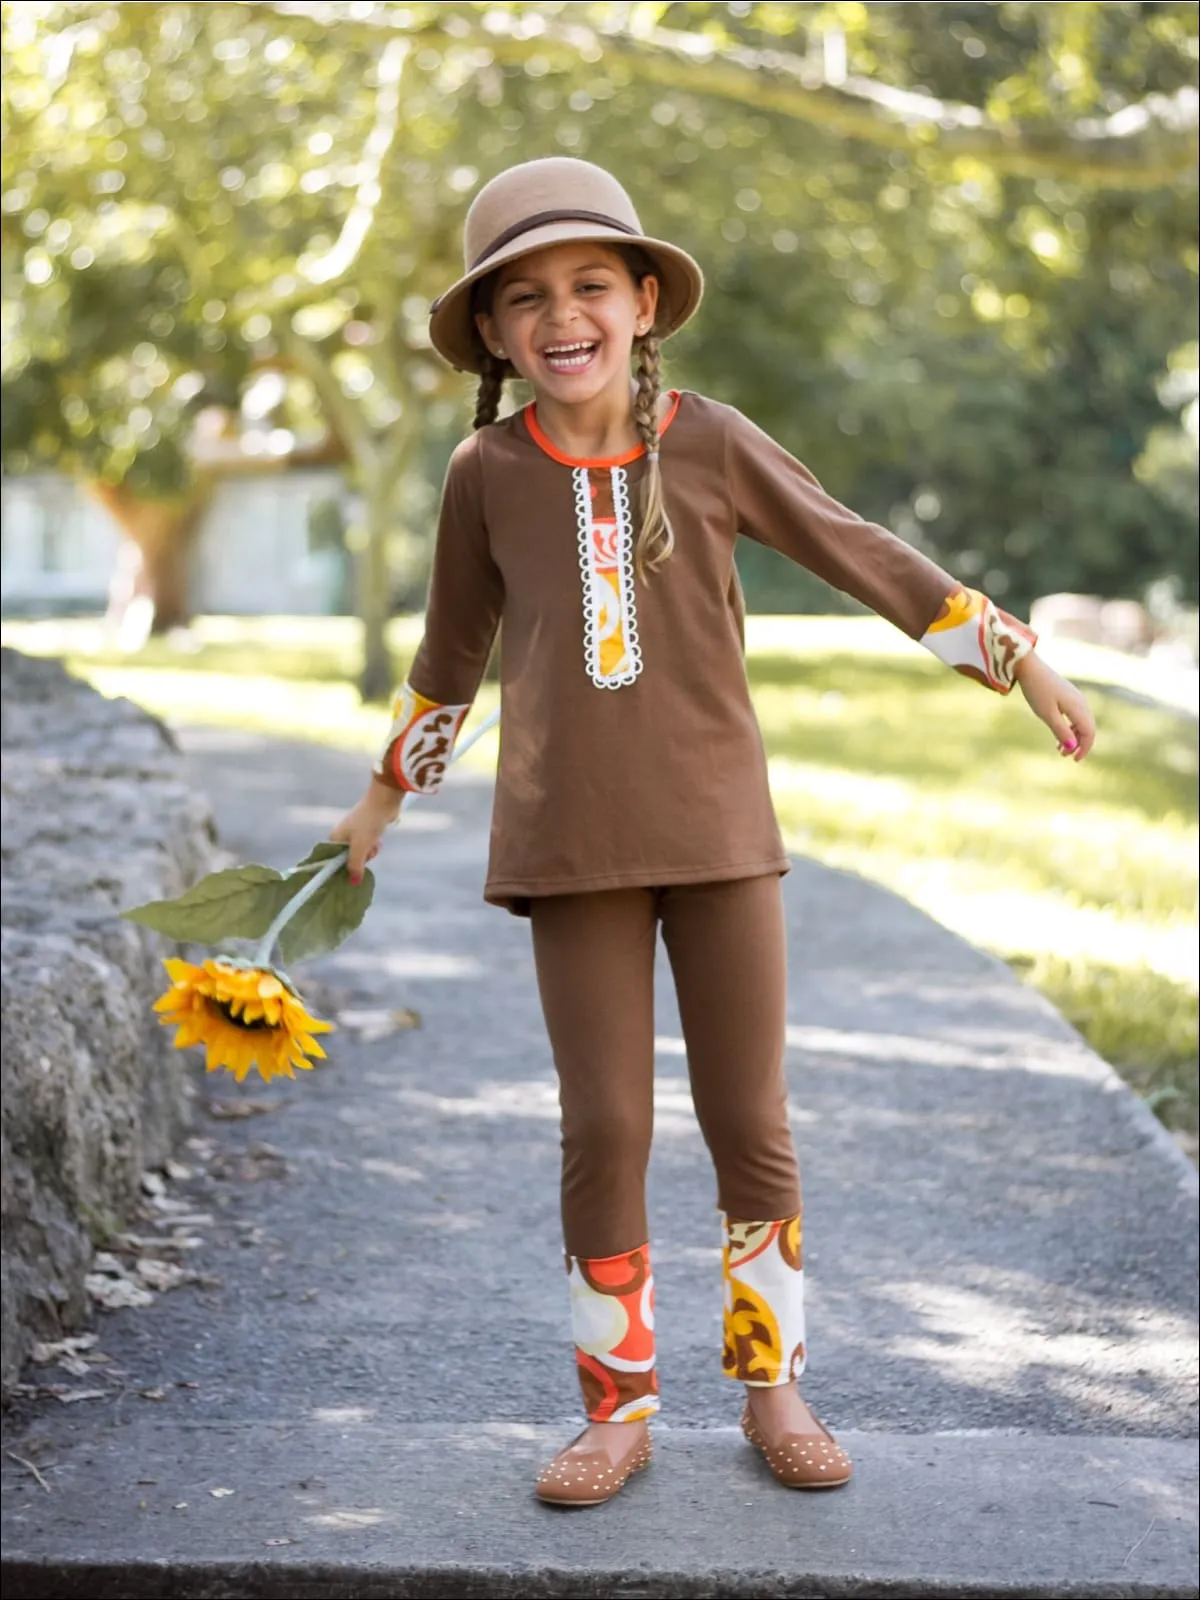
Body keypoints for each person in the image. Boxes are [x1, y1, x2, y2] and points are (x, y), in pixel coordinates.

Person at [330, 157, 1096, 1507]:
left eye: (587, 286)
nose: (560, 317)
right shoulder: (482, 473)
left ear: (641, 303)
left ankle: (773, 1383)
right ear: (498, 336)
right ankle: (616, 1409)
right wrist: (387, 791)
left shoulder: (714, 440)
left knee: (750, 1115)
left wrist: (1013, 653)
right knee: (605, 1124)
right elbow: (450, 659)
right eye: (526, 299)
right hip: (568, 850)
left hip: (723, 835)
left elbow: (863, 552)